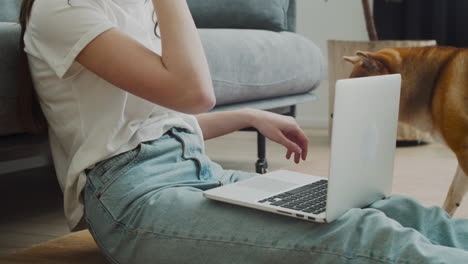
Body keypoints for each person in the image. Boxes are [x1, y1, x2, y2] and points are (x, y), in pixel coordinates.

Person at [19, 0, 468, 263]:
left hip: (197, 170)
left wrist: (248, 116)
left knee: (397, 211)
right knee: (359, 236)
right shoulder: (62, 10)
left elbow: (146, 123)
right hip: (132, 200)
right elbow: (193, 93)